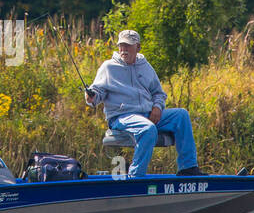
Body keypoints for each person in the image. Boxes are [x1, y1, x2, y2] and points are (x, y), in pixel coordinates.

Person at [84, 29, 203, 178]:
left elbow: (158, 93)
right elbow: (96, 94)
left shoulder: (146, 67)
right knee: (148, 129)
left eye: (128, 46)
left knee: (182, 115)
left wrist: (157, 107)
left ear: (138, 47)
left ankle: (188, 168)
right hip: (121, 116)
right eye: (121, 45)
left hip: (146, 113)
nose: (124, 49)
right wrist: (91, 97)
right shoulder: (108, 67)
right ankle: (136, 176)